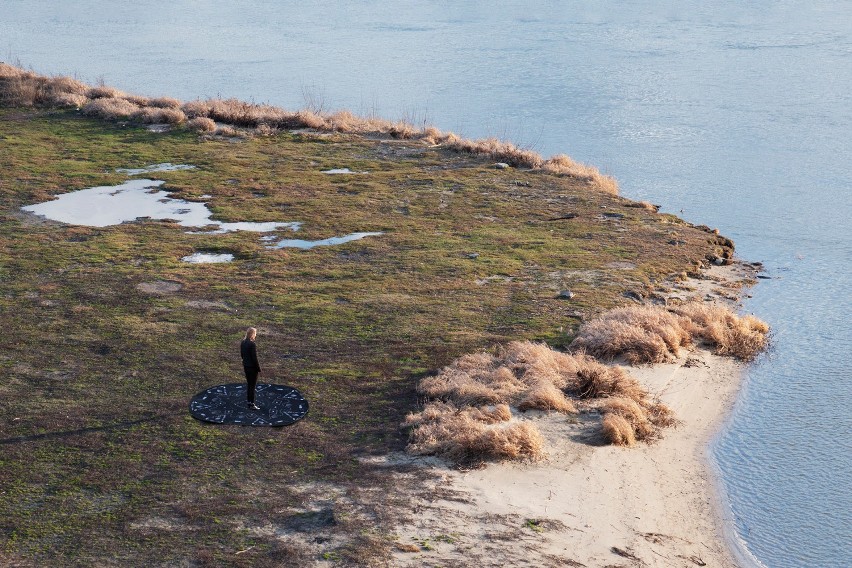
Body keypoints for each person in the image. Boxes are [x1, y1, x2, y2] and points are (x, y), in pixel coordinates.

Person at [240, 327, 262, 410]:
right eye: (255, 334)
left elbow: (242, 354)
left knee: (249, 384)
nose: (255, 335)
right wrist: (258, 368)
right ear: (252, 334)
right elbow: (254, 358)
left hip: (246, 366)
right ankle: (251, 404)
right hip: (252, 368)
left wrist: (245, 362)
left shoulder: (243, 342)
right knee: (252, 386)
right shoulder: (252, 344)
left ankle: (249, 402)